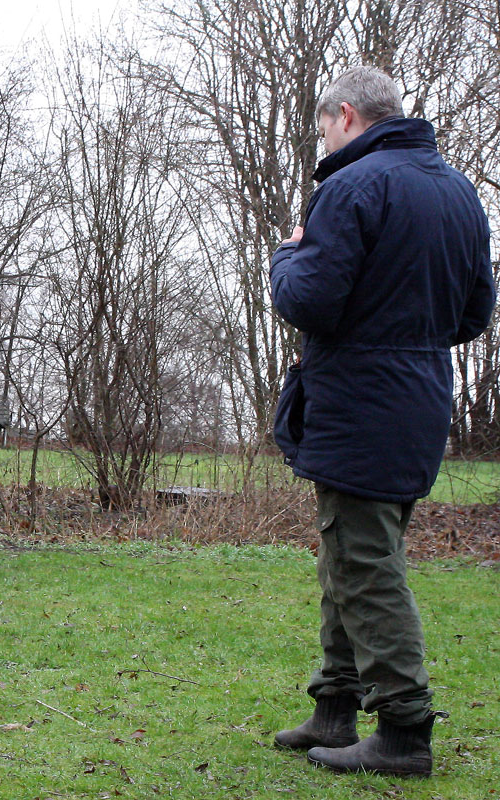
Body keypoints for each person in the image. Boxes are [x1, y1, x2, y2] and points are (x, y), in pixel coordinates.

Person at [269, 66, 496, 777]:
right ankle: (336, 705)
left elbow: (310, 299)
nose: (322, 140)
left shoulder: (349, 187)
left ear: (345, 116)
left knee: (366, 563)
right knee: (352, 549)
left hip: (359, 397)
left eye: (322, 128)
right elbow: (474, 313)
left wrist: (284, 256)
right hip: (422, 395)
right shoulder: (460, 193)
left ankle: (403, 728)